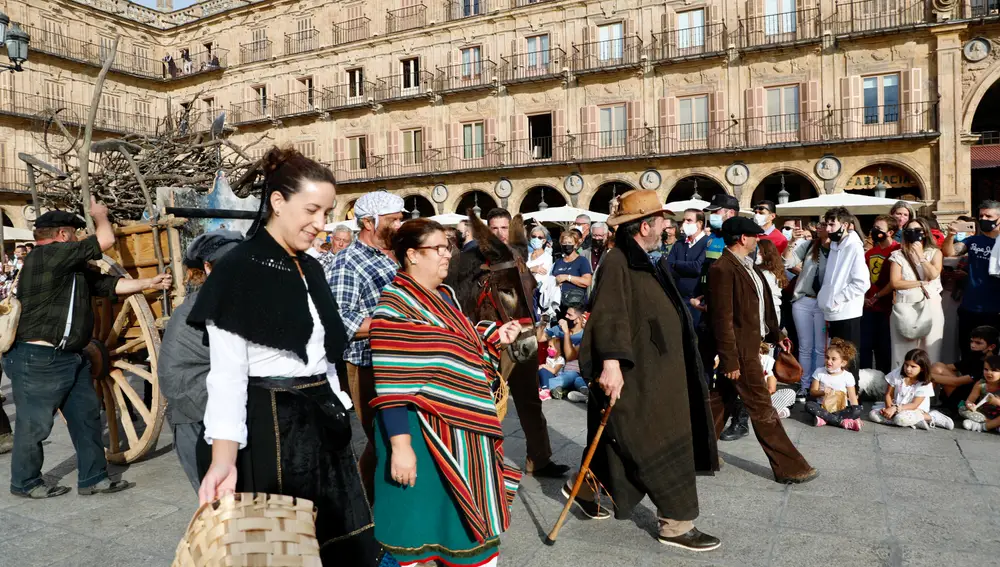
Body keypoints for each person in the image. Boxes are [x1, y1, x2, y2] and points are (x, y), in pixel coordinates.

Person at [191, 148, 380, 565]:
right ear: (277, 202)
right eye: (311, 210)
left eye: (327, 212)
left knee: (341, 547)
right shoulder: (237, 268)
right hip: (272, 431)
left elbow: (324, 354)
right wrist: (223, 459)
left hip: (323, 430)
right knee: (284, 551)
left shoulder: (311, 266)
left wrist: (340, 406)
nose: (321, 224)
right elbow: (226, 375)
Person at [567, 189, 720, 551]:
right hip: (639, 374)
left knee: (619, 441)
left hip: (663, 369)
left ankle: (585, 489)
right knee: (658, 439)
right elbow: (609, 316)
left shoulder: (652, 258)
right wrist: (610, 363)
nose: (668, 225)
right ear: (644, 226)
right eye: (662, 219)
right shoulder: (618, 261)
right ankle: (676, 523)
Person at [369, 219, 523, 567]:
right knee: (416, 536)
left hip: (463, 436)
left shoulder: (445, 297)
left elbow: (461, 340)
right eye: (437, 249)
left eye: (447, 247)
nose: (446, 256)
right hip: (418, 434)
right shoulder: (394, 308)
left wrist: (496, 335)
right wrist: (401, 447)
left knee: (466, 530)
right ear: (411, 255)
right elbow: (391, 385)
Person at [3, 203, 171, 499]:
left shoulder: (70, 268)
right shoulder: (47, 255)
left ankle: (93, 478)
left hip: (74, 356)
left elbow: (109, 286)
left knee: (87, 417)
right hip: (39, 357)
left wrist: (149, 282)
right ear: (65, 235)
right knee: (35, 425)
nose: (80, 237)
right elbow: (105, 241)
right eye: (77, 232)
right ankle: (25, 482)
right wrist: (100, 215)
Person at [708, 216, 816, 483]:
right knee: (762, 407)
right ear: (743, 239)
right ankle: (790, 467)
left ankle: (696, 454)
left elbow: (763, 306)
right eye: (755, 236)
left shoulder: (750, 267)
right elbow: (721, 319)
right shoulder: (722, 268)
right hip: (740, 351)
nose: (758, 240)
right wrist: (730, 360)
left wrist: (776, 334)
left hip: (753, 345)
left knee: (719, 403)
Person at [474, 208, 569, 478]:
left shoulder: (519, 259)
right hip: (492, 340)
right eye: (494, 228)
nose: (500, 234)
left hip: (524, 335)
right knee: (489, 401)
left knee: (530, 401)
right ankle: (483, 462)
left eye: (504, 228)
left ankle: (539, 459)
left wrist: (536, 326)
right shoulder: (474, 260)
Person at [328, 190, 404, 502]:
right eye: (394, 220)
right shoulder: (348, 261)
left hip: (402, 359)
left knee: (397, 437)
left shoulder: (397, 255)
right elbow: (339, 319)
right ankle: (366, 508)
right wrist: (396, 324)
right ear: (369, 223)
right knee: (383, 439)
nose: (400, 225)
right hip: (367, 364)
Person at [158, 230, 242, 491]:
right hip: (197, 410)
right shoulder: (213, 303)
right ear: (207, 267)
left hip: (205, 405)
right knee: (222, 504)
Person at [694, 193, 746, 440]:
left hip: (728, 317)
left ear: (730, 213)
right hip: (707, 313)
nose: (712, 215)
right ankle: (706, 416)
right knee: (704, 365)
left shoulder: (741, 241)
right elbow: (707, 273)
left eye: (717, 211)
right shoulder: (712, 239)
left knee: (733, 369)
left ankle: (740, 420)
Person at [943, 199, 1000, 360]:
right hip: (969, 307)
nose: (984, 219)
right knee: (968, 352)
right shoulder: (973, 240)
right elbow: (950, 252)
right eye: (981, 216)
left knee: (991, 356)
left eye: (989, 216)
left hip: (993, 310)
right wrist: (950, 235)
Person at [818, 207, 870, 378]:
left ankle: (853, 397)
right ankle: (838, 393)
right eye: (826, 224)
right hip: (832, 311)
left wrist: (837, 299)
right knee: (836, 356)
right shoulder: (834, 246)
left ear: (846, 225)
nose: (828, 229)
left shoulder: (854, 247)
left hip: (847, 311)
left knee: (849, 356)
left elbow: (862, 282)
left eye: (832, 224)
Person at [888, 218, 944, 367]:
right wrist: (919, 283)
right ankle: (902, 387)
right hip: (905, 306)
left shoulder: (935, 253)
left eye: (917, 231)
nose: (913, 234)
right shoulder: (898, 255)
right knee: (903, 352)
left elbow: (933, 274)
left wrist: (921, 256)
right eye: (909, 231)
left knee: (930, 350)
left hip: (930, 305)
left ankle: (928, 387)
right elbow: (895, 282)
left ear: (925, 233)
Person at [788, 223, 830, 399]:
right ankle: (805, 385)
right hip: (803, 300)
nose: (820, 228)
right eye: (820, 225)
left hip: (823, 302)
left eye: (826, 224)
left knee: (821, 348)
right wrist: (791, 242)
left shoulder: (838, 247)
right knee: (805, 346)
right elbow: (786, 262)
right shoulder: (809, 245)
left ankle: (818, 385)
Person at [869, 349, 954, 430]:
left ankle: (931, 417)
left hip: (915, 410)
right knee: (873, 415)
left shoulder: (925, 382)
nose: (908, 369)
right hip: (896, 407)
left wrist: (895, 409)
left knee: (900, 419)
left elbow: (914, 405)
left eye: (913, 366)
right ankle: (914, 422)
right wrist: (888, 409)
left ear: (922, 368)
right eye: (906, 365)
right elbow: (888, 394)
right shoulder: (897, 373)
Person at [861, 215, 900, 373]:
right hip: (868, 307)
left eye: (879, 229)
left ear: (890, 232)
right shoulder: (869, 253)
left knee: (884, 348)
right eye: (874, 227)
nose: (875, 231)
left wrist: (877, 296)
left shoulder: (898, 250)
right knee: (865, 346)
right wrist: (865, 297)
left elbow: (895, 280)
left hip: (888, 307)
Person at [932, 325, 999, 410]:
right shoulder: (975, 355)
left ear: (991, 347)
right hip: (961, 391)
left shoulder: (988, 365)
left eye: (978, 343)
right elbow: (951, 366)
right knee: (937, 366)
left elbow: (956, 382)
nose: (973, 345)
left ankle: (921, 403)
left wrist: (925, 375)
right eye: (972, 342)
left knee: (935, 369)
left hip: (969, 401)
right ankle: (921, 401)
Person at [804, 338, 863, 431]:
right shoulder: (819, 372)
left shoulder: (848, 376)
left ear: (843, 362)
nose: (829, 361)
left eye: (833, 359)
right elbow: (812, 392)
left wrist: (856, 416)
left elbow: (852, 398)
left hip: (840, 409)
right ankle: (841, 422)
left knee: (858, 409)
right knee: (809, 405)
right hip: (822, 407)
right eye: (827, 357)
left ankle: (825, 419)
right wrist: (822, 392)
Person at [666, 208, 709, 326]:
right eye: (684, 220)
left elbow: (697, 267)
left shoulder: (708, 243)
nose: (685, 223)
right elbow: (668, 266)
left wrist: (677, 264)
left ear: (699, 224)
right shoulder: (679, 244)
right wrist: (680, 267)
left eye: (689, 220)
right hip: (678, 298)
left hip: (697, 301)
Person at [546, 306, 588, 402]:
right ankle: (565, 391)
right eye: (566, 313)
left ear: (579, 318)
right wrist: (542, 323)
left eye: (570, 315)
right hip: (564, 370)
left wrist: (566, 333)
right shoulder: (558, 329)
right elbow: (540, 338)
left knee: (576, 380)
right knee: (569, 378)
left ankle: (548, 387)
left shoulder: (585, 335)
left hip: (577, 373)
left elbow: (570, 356)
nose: (566, 316)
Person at [552, 229, 592, 310]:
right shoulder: (558, 262)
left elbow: (587, 281)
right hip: (559, 303)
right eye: (564, 243)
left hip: (576, 304)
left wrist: (568, 277)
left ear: (576, 245)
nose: (567, 245)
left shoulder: (582, 260)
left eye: (570, 243)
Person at [960, 354, 1000, 433]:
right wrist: (970, 405)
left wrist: (996, 401)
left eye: (994, 370)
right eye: (986, 369)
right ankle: (991, 425)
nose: (989, 373)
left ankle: (983, 427)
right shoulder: (981, 384)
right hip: (984, 415)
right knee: (962, 408)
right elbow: (970, 400)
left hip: (998, 416)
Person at [759, 344, 795, 419]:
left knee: (790, 392)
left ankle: (767, 412)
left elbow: (771, 389)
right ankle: (773, 413)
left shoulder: (768, 361)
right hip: (747, 399)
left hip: (763, 399)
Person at [755, 239, 786, 323]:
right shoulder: (774, 270)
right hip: (772, 311)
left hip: (767, 312)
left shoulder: (767, 274)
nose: (757, 255)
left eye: (759, 252)